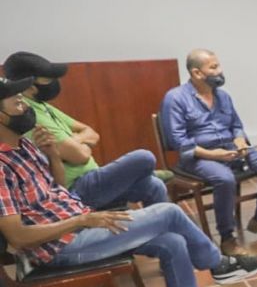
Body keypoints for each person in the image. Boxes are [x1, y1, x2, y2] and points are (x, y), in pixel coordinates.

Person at [0, 76, 257, 287]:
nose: (25, 107)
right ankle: (217, 264)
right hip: (60, 247)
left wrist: (53, 155)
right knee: (170, 212)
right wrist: (79, 222)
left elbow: (56, 188)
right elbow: (17, 236)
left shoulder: (25, 145)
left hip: (81, 222)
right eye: (17, 103)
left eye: (23, 99)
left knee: (173, 241)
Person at [3, 51, 168, 209]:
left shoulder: (43, 106)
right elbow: (81, 156)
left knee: (154, 186)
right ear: (31, 86)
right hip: (78, 187)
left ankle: (159, 232)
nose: (54, 82)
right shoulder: (31, 115)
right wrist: (80, 143)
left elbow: (91, 132)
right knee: (145, 158)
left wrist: (74, 141)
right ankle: (145, 176)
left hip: (94, 176)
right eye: (48, 79)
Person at [161, 49, 257, 255]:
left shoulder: (224, 97)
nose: (220, 70)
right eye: (213, 67)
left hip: (230, 150)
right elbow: (179, 142)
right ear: (197, 73)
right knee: (225, 179)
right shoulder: (175, 98)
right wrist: (214, 155)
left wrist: (239, 142)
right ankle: (227, 239)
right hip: (198, 157)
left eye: (219, 65)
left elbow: (236, 125)